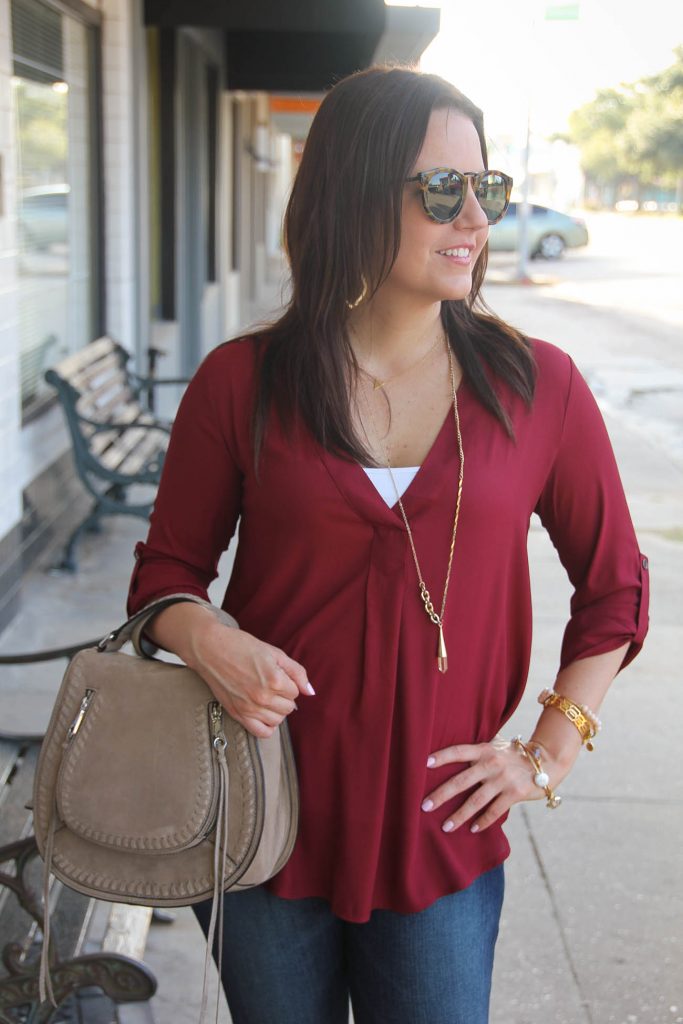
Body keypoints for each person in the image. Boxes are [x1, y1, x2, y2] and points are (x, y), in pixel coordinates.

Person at [126, 65, 649, 1024]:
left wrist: (546, 754)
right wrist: (209, 639)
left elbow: (614, 589)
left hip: (438, 833)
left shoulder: (541, 389)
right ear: (354, 190)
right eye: (440, 191)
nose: (475, 220)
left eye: (483, 191)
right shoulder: (241, 382)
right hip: (262, 817)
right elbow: (163, 576)